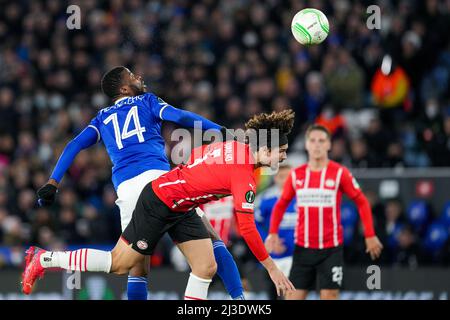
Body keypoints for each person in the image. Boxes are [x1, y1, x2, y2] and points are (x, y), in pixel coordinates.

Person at [22, 110, 297, 300]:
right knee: (119, 264)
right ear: (266, 148)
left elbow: (198, 155)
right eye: (282, 153)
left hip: (179, 202)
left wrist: (194, 184)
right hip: (159, 201)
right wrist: (271, 268)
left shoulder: (234, 145)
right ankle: (45, 259)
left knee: (205, 266)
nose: (283, 159)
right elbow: (247, 228)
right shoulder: (244, 173)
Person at [34, 66, 244, 300]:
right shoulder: (147, 101)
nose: (139, 77)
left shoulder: (102, 118)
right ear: (124, 88)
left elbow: (74, 144)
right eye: (132, 76)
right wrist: (220, 131)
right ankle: (239, 300)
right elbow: (181, 116)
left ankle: (48, 258)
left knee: (136, 268)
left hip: (128, 191)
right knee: (210, 244)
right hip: (160, 183)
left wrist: (53, 182)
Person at [266, 124, 383, 300]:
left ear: (329, 145)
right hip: (303, 249)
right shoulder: (296, 175)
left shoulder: (340, 173)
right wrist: (273, 233)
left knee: (329, 295)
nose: (317, 145)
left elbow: (362, 201)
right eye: (312, 140)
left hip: (330, 250)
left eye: (321, 141)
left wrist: (370, 234)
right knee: (293, 297)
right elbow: (281, 204)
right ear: (306, 145)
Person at [255, 164, 297, 299]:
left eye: (288, 177)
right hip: (274, 258)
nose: (285, 180)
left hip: (296, 256)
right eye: (281, 177)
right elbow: (255, 223)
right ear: (275, 178)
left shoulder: (302, 198)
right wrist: (268, 241)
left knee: (293, 294)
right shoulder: (266, 199)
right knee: (273, 295)